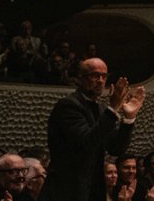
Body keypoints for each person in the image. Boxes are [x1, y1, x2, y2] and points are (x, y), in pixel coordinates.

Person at [40, 58, 146, 201]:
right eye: (95, 75)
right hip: (66, 191)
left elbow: (116, 148)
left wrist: (129, 119)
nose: (101, 81)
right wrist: (113, 109)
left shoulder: (100, 109)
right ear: (81, 79)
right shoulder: (68, 106)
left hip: (92, 191)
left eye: (104, 76)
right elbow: (87, 143)